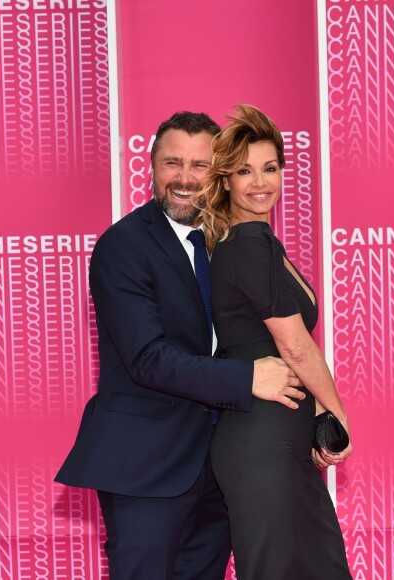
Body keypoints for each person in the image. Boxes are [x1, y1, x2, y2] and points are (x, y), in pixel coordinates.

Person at [55, 111, 306, 580]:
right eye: (173, 163)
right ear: (150, 167)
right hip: (147, 467)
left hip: (221, 468)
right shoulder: (123, 246)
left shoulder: (226, 241)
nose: (186, 179)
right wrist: (250, 378)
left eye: (201, 165)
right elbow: (146, 358)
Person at [197, 104, 353, 579]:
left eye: (269, 168)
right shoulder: (248, 244)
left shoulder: (255, 243)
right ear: (225, 181)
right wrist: (336, 411)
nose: (259, 183)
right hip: (262, 441)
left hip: (272, 436)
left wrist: (317, 412)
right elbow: (296, 347)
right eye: (244, 171)